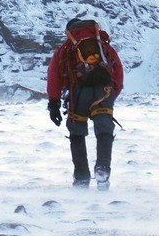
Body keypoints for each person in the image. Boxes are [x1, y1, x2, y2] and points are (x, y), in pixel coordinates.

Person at [47, 18, 123, 190]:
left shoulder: (66, 49)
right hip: (103, 90)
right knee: (104, 127)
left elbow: (53, 76)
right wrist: (111, 95)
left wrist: (53, 103)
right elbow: (117, 69)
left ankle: (81, 177)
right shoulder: (102, 45)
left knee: (77, 131)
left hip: (78, 93)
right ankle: (103, 169)